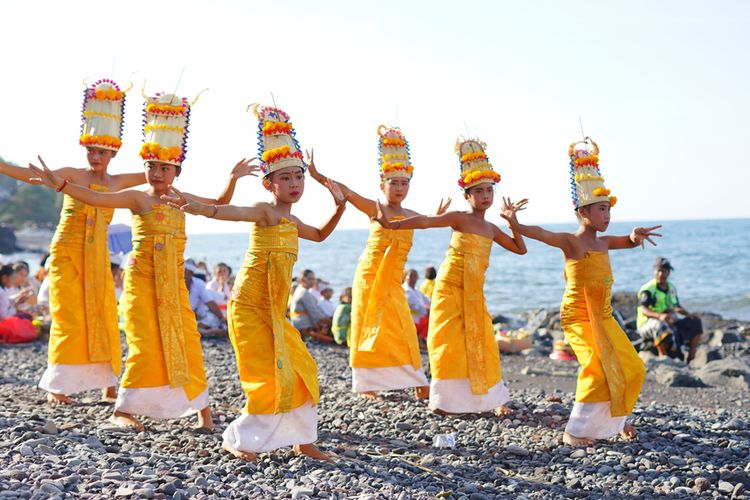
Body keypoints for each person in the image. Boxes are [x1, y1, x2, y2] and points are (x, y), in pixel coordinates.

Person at [30, 88, 259, 431]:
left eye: (165, 168)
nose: (157, 174)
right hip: (140, 283)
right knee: (143, 342)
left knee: (187, 341)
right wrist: (61, 185)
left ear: (176, 171)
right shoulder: (138, 198)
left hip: (174, 285)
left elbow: (217, 205)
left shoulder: (181, 198)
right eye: (152, 166)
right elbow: (94, 196)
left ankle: (203, 412)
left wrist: (232, 179)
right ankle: (124, 409)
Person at [163, 103, 346, 462]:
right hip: (248, 308)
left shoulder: (293, 223)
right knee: (266, 376)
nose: (294, 184)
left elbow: (322, 235)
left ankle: (304, 440)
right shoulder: (265, 211)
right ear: (269, 183)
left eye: (299, 177)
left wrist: (338, 207)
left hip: (274, 313)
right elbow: (232, 212)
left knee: (302, 369)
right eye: (286, 178)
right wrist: (201, 208)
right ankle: (240, 439)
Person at [0, 79, 146, 404]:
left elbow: (158, 175)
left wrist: (167, 147)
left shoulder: (118, 181)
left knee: (103, 313)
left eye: (102, 151)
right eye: (92, 150)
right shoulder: (75, 174)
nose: (96, 156)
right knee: (67, 314)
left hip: (96, 255)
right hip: (66, 252)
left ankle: (109, 382)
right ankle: (58, 385)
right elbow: (31, 175)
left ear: (113, 152)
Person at [507, 137, 659, 446]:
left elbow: (625, 241)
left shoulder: (603, 242)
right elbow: (542, 234)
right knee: (596, 367)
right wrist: (516, 224)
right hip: (577, 318)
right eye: (602, 209)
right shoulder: (572, 242)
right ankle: (575, 430)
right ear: (583, 211)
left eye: (609, 210)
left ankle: (615, 421)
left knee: (633, 366)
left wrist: (634, 235)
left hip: (603, 317)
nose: (607, 215)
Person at [373, 136, 526, 416]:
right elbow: (426, 221)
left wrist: (513, 223)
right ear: (467, 195)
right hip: (449, 287)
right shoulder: (458, 218)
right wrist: (393, 225)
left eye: (489, 190)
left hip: (474, 293)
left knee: (484, 342)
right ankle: (445, 401)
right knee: (445, 342)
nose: (485, 196)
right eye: (478, 191)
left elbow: (520, 249)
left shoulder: (492, 228)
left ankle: (490, 400)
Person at [307, 126, 448, 400]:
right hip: (370, 276)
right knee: (366, 325)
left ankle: (417, 380)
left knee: (403, 328)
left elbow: (433, 222)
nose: (399, 188)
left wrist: (439, 215)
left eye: (404, 183)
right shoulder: (376, 209)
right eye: (394, 183)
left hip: (393, 280)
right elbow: (345, 192)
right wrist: (316, 175)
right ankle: (366, 383)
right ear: (382, 183)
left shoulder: (411, 214)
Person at [636, 257, 703, 362]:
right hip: (647, 324)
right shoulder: (648, 290)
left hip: (668, 320)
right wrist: (660, 316)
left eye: (664, 271)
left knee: (695, 322)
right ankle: (663, 356)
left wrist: (688, 314)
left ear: (668, 272)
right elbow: (643, 309)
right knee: (659, 325)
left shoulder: (671, 287)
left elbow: (676, 306)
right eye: (659, 271)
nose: (661, 274)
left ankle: (691, 356)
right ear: (654, 271)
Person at [290, 269, 332, 343]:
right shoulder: (304, 293)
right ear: (302, 279)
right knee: (330, 340)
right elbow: (315, 313)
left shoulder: (300, 290)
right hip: (303, 327)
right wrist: (330, 322)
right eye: (310, 279)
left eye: (313, 279)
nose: (312, 281)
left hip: (298, 324)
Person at [186, 261, 227, 336]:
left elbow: (211, 303)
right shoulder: (210, 284)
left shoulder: (198, 284)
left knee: (212, 318)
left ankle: (205, 331)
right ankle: (205, 331)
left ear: (191, 273)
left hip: (198, 316)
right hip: (189, 317)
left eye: (185, 271)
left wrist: (222, 319)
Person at [403, 268, 430, 339]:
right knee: (431, 320)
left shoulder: (416, 291)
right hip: (411, 321)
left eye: (415, 276)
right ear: (405, 277)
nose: (413, 278)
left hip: (419, 318)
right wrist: (429, 310)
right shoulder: (405, 291)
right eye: (411, 276)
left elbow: (427, 300)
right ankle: (420, 339)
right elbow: (417, 307)